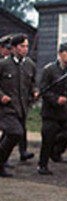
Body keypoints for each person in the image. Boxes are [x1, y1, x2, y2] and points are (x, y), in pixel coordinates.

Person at [0, 34, 36, 177]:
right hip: (6, 108)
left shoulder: (29, 65)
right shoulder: (3, 64)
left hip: (21, 108)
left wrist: (34, 91)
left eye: (27, 46)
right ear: (14, 48)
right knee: (16, 132)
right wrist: (1, 96)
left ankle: (1, 165)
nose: (25, 49)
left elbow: (32, 83)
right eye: (22, 46)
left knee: (12, 135)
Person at [37, 43, 67, 175]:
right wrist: (55, 99)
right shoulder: (49, 70)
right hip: (51, 112)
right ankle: (42, 165)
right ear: (60, 54)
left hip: (66, 112)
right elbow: (43, 89)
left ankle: (56, 152)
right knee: (48, 138)